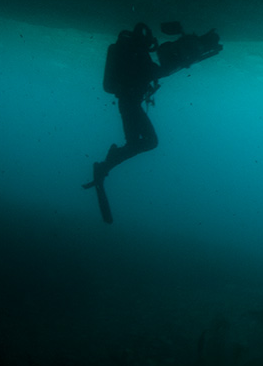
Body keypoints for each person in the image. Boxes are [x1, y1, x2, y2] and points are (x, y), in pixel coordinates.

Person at [83, 22, 222, 222]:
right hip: (130, 105)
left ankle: (106, 165)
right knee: (149, 142)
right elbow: (155, 72)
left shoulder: (130, 52)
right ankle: (106, 165)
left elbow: (152, 72)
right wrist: (185, 56)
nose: (151, 45)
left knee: (143, 143)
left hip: (130, 104)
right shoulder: (135, 54)